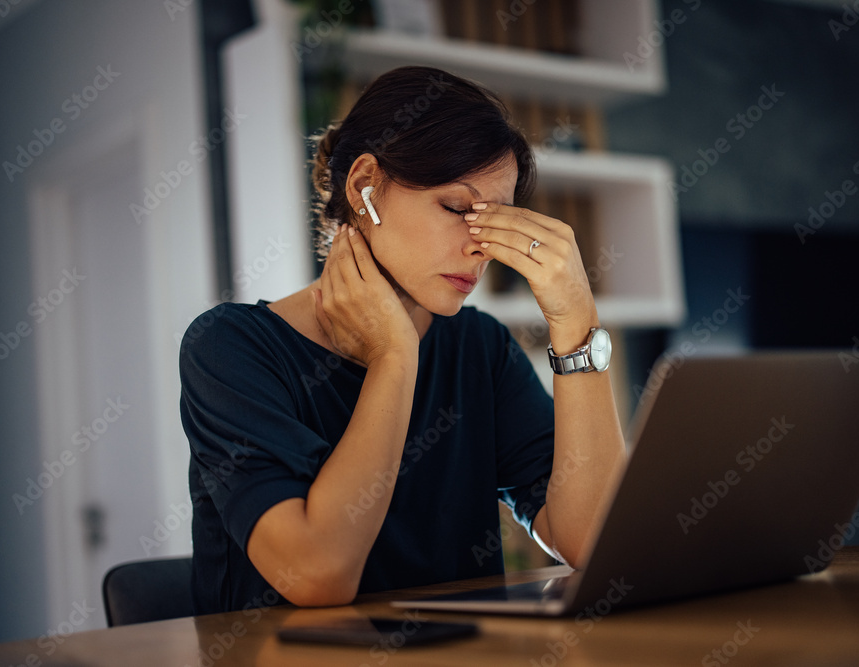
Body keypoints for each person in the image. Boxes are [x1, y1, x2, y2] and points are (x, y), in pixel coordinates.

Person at [180, 65, 625, 614]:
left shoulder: (479, 348)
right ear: (365, 187)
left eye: (496, 219)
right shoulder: (230, 347)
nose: (480, 246)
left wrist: (576, 319)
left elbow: (592, 541)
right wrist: (394, 355)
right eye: (458, 208)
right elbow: (318, 574)